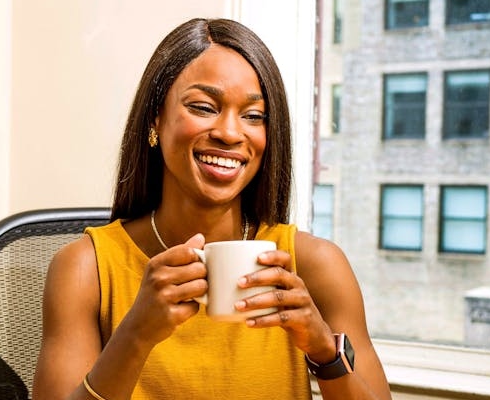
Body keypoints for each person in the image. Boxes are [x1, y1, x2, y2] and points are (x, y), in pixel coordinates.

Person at [32, 18, 392, 400]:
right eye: (204, 107)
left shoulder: (315, 264)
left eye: (254, 116)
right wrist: (135, 334)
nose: (230, 133)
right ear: (155, 117)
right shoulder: (85, 268)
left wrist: (324, 352)